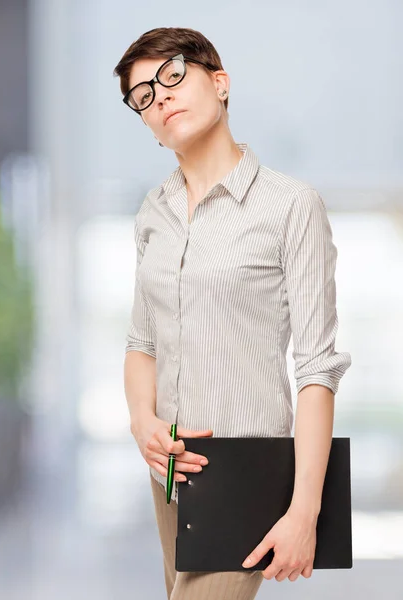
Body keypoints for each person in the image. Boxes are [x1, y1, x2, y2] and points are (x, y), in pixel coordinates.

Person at [116, 26, 352, 600]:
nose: (160, 96)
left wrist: (303, 513)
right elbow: (141, 341)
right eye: (142, 95)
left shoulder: (291, 207)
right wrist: (141, 422)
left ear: (219, 83)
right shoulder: (154, 213)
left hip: (247, 474)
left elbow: (317, 368)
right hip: (170, 476)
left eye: (172, 75)